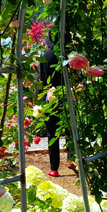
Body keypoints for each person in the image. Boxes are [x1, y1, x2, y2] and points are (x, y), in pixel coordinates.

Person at [38, 37, 65, 177]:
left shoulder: (45, 56)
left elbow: (42, 79)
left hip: (50, 96)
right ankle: (73, 160)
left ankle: (54, 168)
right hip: (67, 95)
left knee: (52, 133)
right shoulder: (68, 56)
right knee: (71, 131)